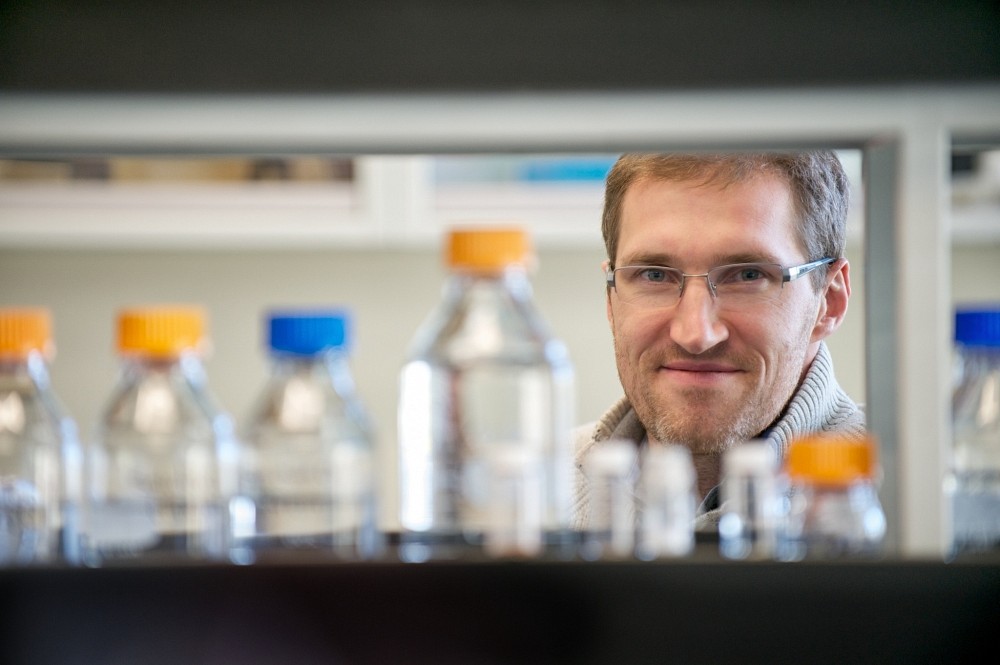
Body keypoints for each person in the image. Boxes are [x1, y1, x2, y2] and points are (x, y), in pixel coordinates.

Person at [572, 152, 865, 530]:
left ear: (829, 300)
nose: (695, 335)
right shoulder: (530, 494)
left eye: (746, 275)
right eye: (654, 275)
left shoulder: (917, 499)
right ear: (611, 300)